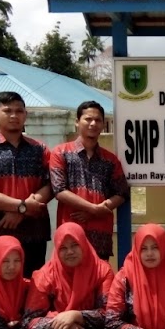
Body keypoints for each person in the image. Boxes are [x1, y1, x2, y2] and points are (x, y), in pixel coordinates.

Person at [0, 91, 52, 277]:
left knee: (34, 291)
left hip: (34, 233)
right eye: (7, 110)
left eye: (19, 111)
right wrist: (21, 207)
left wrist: (23, 211)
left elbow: (51, 185)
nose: (14, 115)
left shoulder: (41, 149)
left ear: (25, 114)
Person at [50, 101, 130, 261]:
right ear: (77, 121)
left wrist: (102, 208)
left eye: (98, 120)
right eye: (88, 119)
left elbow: (122, 193)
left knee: (100, 282)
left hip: (100, 234)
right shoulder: (61, 153)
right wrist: (94, 209)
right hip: (70, 234)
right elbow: (59, 190)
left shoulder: (110, 160)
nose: (93, 124)